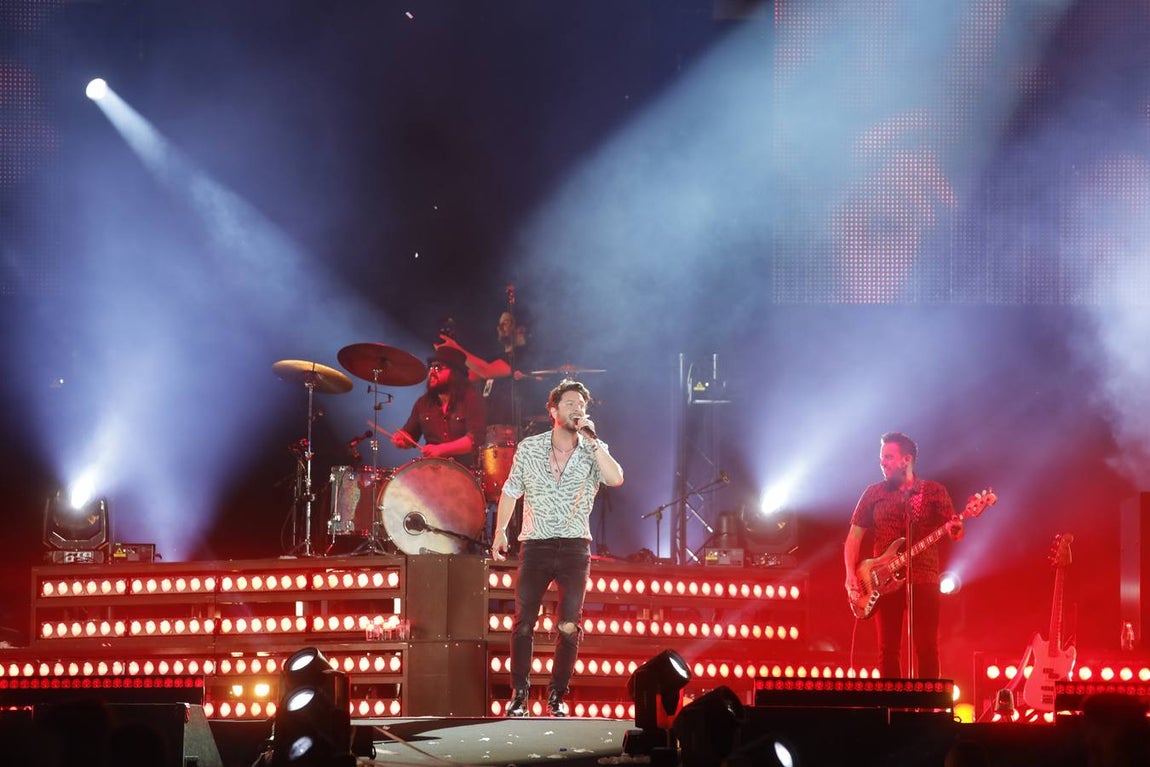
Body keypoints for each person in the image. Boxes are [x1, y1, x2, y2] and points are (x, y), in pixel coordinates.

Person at [491, 379, 624, 716]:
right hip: (535, 545)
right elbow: (510, 491)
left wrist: (593, 442)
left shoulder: (594, 448)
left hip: (575, 547)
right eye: (570, 404)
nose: (577, 409)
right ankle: (519, 694)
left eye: (581, 404)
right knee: (524, 622)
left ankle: (557, 696)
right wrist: (500, 532)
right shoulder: (530, 447)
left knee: (568, 624)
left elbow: (616, 478)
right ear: (553, 411)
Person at [843, 431, 963, 678]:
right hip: (882, 581)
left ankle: (928, 710)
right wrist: (849, 575)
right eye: (881, 458)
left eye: (888, 457)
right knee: (888, 650)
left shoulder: (932, 491)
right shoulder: (873, 493)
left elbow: (954, 532)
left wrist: (957, 528)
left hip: (924, 579)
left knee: (927, 648)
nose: (882, 462)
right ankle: (892, 709)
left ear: (906, 460)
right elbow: (853, 538)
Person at [435, 310, 536, 433]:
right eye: (499, 323)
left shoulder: (524, 355)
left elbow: (487, 371)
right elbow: (468, 376)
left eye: (505, 323)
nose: (499, 327)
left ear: (520, 329)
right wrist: (447, 354)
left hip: (513, 432)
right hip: (488, 432)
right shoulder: (494, 359)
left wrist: (455, 348)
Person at [390, 346, 486, 467]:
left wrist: (441, 449)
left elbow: (475, 440)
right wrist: (403, 439)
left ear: (455, 373)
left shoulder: (471, 398)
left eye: (438, 368)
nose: (431, 372)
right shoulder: (423, 403)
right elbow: (410, 434)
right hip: (433, 470)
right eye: (430, 367)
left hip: (465, 471)